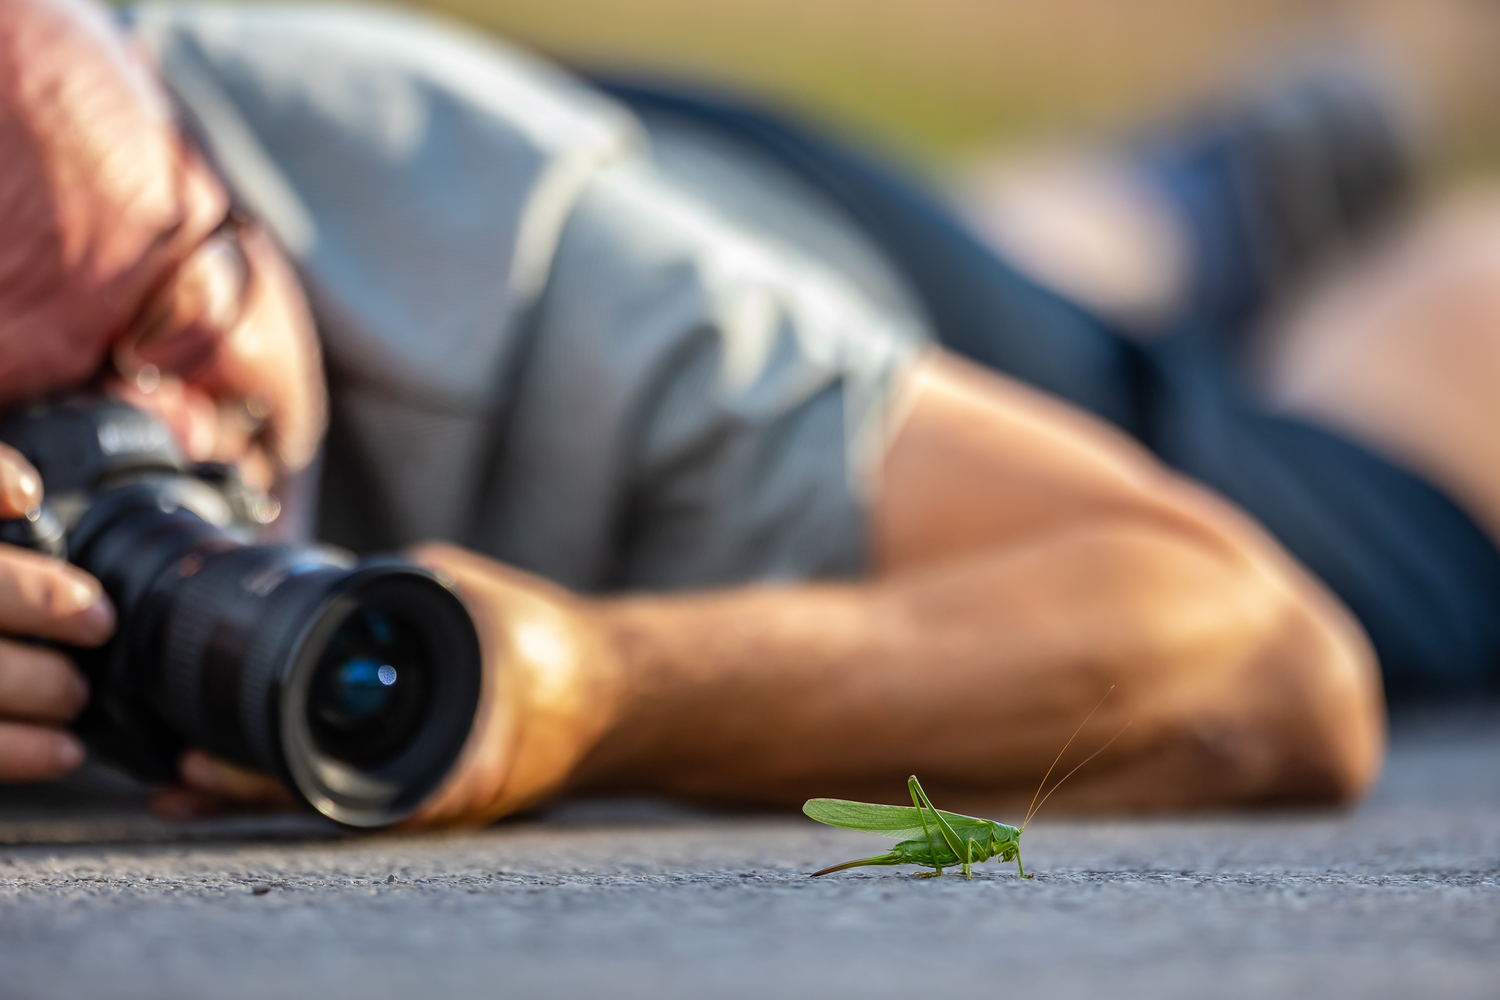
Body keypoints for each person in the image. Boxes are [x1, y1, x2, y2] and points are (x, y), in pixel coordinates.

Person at [0, 0, 1401, 825]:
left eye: (167, 323)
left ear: (192, 139)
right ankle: (1196, 192)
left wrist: (598, 689)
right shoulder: (103, 213)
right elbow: (92, 261)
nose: (153, 443)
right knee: (1059, 246)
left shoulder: (514, 252)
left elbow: (1274, 657)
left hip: (783, 260)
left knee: (1406, 470)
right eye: (27, 422)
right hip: (651, 180)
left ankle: (1346, 205)